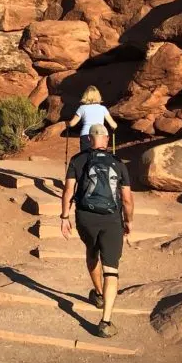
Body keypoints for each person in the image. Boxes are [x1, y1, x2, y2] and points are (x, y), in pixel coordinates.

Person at [60, 123, 134, 338]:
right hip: (112, 219)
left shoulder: (78, 159)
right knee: (111, 269)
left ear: (90, 139)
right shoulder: (119, 163)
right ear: (107, 139)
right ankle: (106, 321)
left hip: (85, 217)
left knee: (92, 252)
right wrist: (128, 221)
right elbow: (127, 199)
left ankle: (99, 293)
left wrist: (64, 217)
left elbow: (67, 191)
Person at [67, 86, 118, 153]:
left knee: (86, 157)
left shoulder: (82, 108)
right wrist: (113, 126)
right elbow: (113, 125)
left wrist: (67, 123)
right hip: (101, 134)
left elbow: (72, 124)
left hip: (86, 134)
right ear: (98, 96)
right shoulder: (102, 108)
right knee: (100, 157)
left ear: (85, 96)